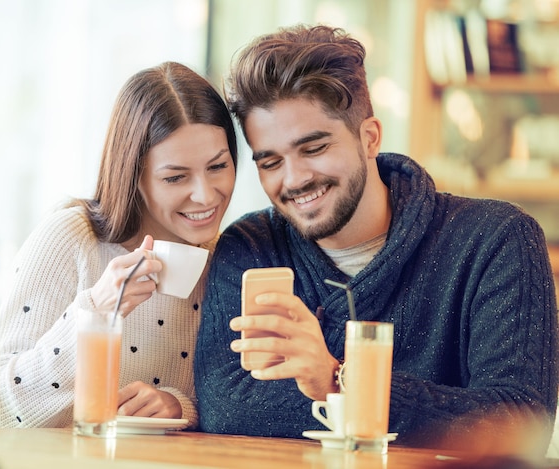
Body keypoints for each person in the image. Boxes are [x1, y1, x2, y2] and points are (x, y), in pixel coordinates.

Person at [194, 24, 558, 450]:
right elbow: (227, 406)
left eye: (314, 149)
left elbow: (519, 424)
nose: (293, 179)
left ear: (369, 137)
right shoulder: (250, 246)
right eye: (271, 161)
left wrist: (336, 378)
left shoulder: (497, 240)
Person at [0, 61, 237, 428]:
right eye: (175, 177)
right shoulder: (72, 238)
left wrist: (177, 407)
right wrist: (95, 310)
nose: (205, 196)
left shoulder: (227, 261)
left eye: (218, 167)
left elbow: (232, 405)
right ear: (133, 175)